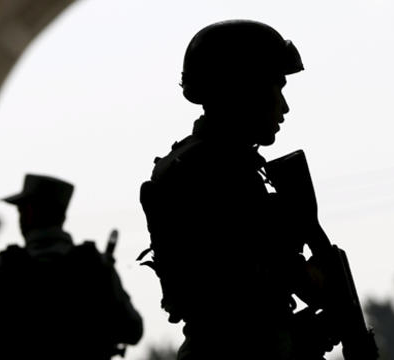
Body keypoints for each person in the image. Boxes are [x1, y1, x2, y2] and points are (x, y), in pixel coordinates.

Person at [139, 20, 335, 360]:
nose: (284, 107)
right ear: (247, 88)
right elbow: (251, 287)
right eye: (278, 87)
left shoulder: (187, 163)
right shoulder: (224, 169)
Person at [0, 174, 143, 360]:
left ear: (29, 212)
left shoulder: (4, 266)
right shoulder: (94, 264)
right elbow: (132, 330)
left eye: (21, 211)